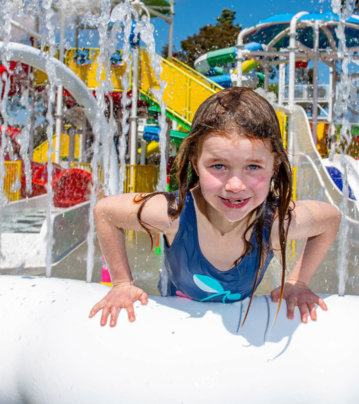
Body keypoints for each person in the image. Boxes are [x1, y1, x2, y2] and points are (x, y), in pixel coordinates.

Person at [89, 87, 340, 327]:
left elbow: (331, 219)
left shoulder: (273, 223)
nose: (235, 185)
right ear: (195, 163)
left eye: (253, 167)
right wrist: (122, 283)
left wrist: (298, 282)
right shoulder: (175, 214)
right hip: (177, 321)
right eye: (218, 166)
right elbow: (106, 212)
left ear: (274, 166)